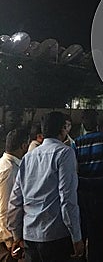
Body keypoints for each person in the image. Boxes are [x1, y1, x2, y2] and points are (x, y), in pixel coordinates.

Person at [7, 111, 84, 262]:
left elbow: (15, 199)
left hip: (29, 235)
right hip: (55, 235)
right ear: (63, 129)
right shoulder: (64, 153)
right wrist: (76, 236)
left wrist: (16, 235)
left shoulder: (28, 157)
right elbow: (67, 199)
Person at [72, 109, 103, 262]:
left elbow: (74, 170)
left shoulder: (76, 143)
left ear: (83, 123)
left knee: (82, 232)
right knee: (99, 238)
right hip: (99, 195)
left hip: (81, 195)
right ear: (97, 123)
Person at [0, 128, 28, 261]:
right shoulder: (10, 170)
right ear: (23, 146)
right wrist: (11, 241)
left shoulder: (3, 164)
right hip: (5, 240)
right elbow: (6, 208)